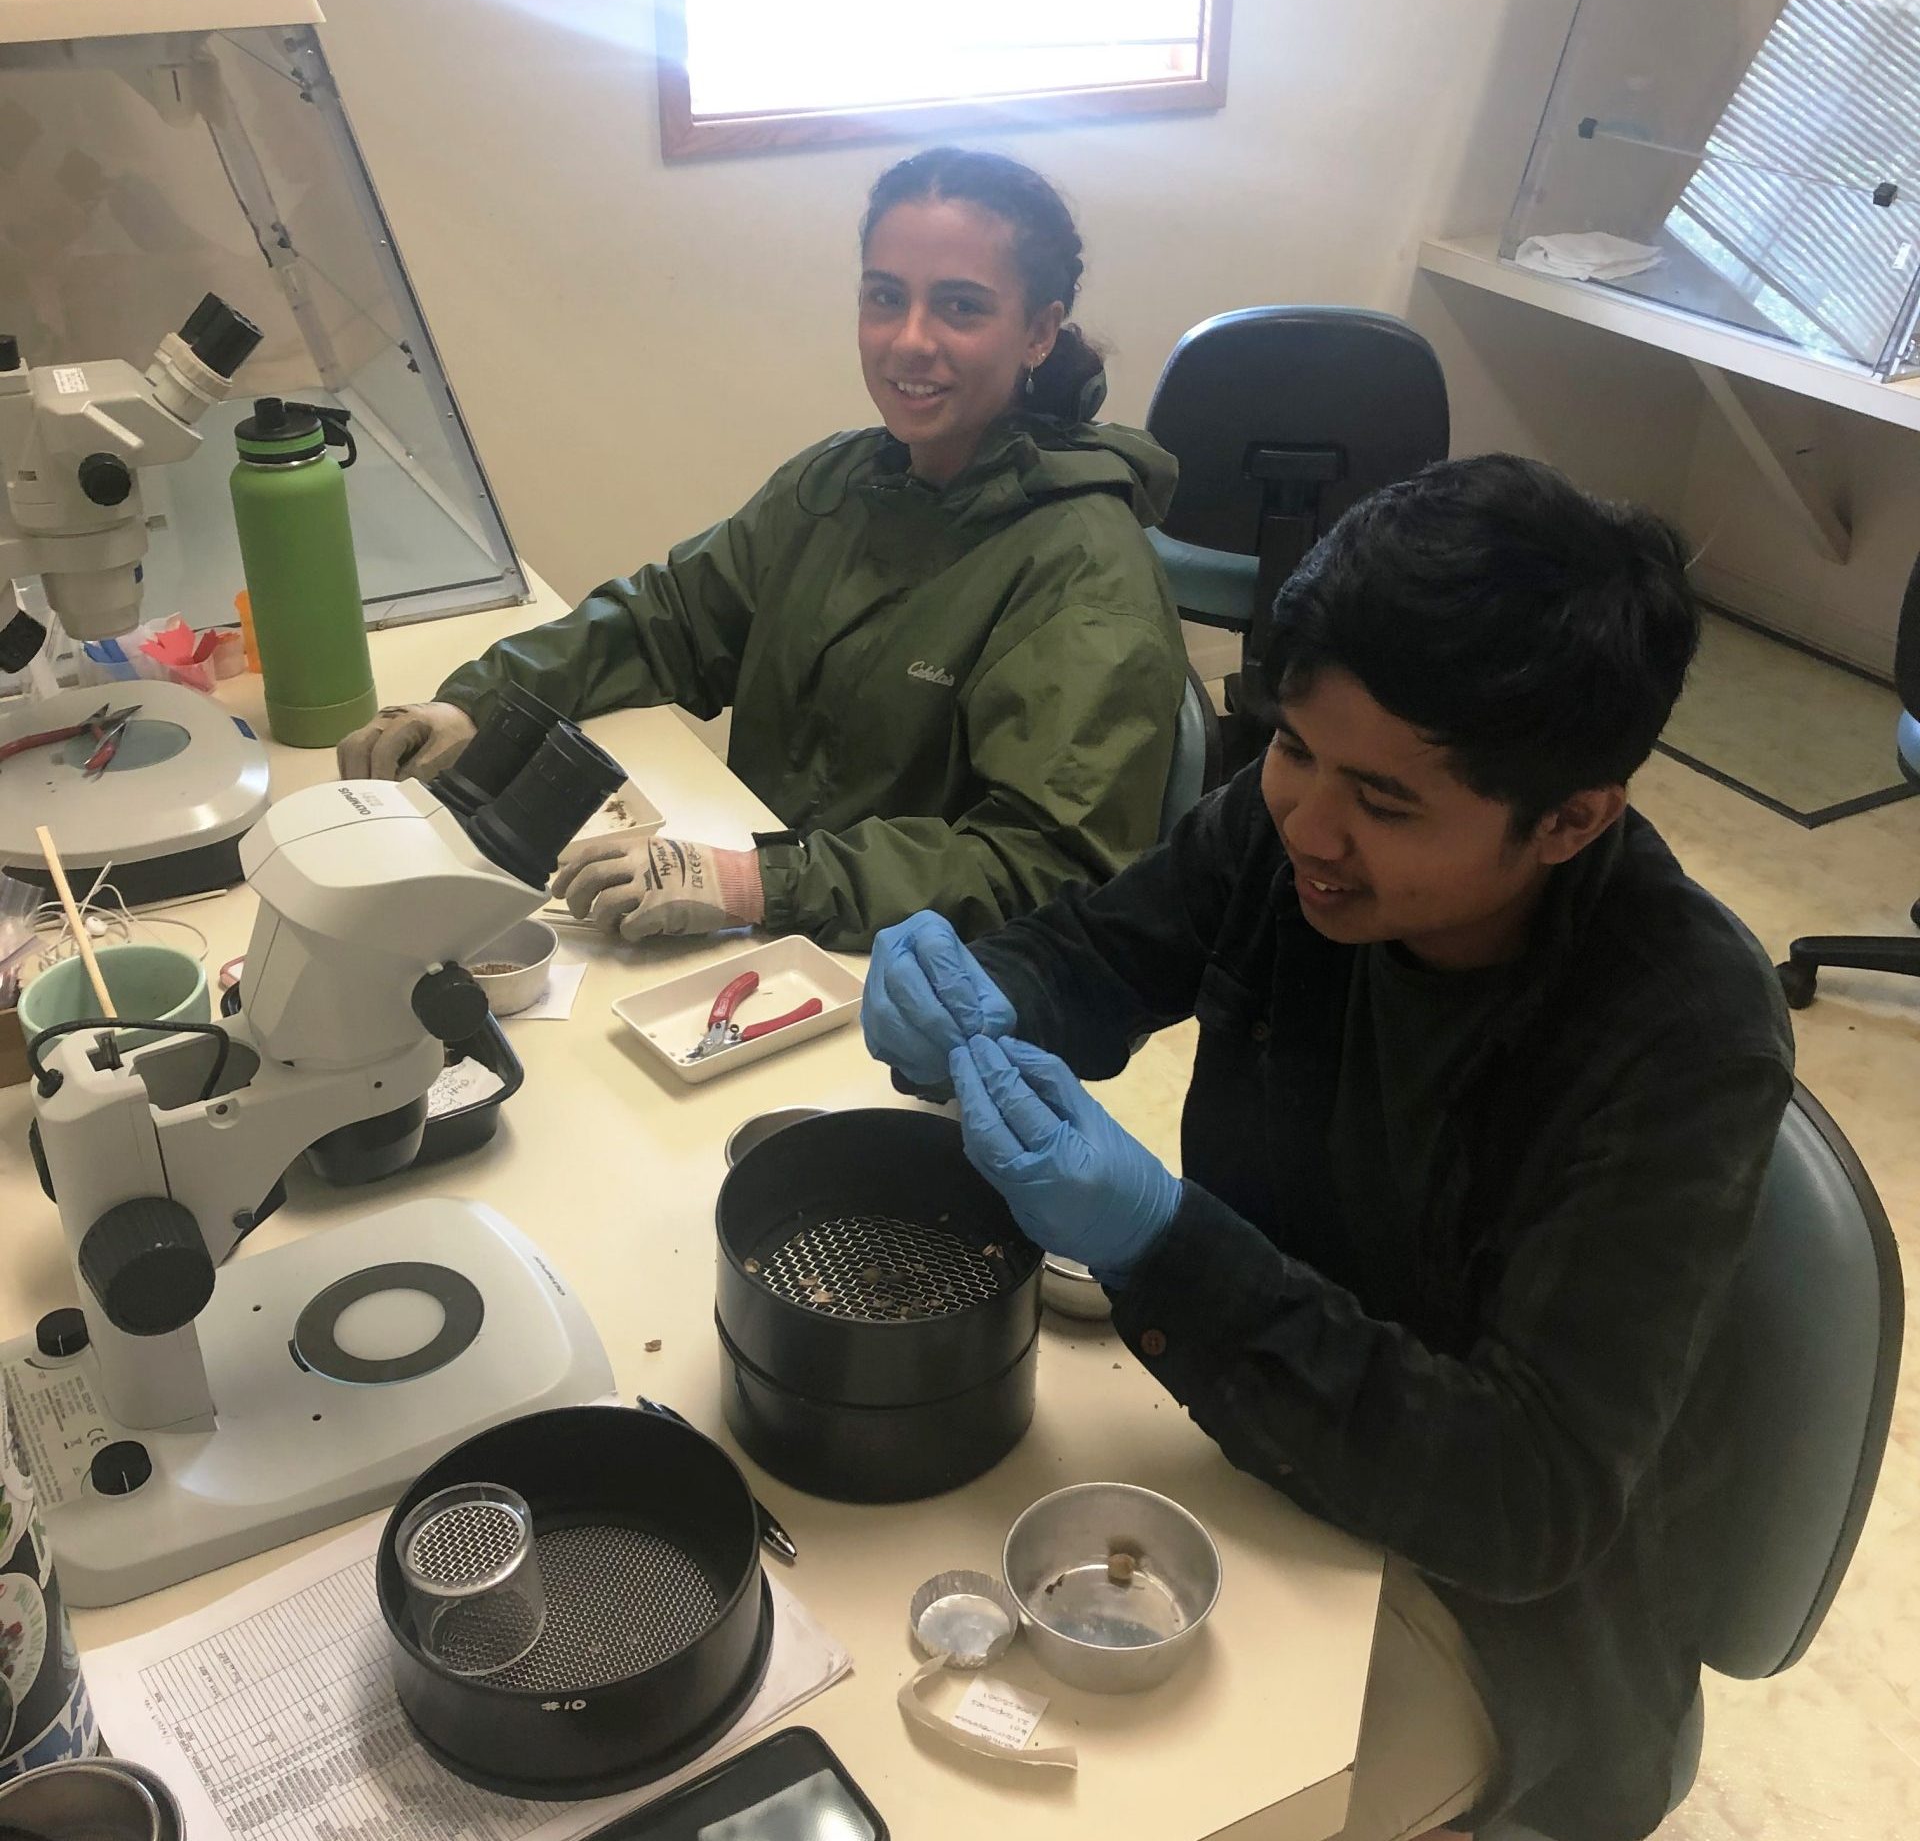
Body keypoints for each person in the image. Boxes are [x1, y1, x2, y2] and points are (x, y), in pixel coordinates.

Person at [861, 455, 1795, 1841]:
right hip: (1260, 1427)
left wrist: (1158, 1243)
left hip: (1490, 1600)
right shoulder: (1296, 827)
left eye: (1387, 801)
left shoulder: (1680, 1033)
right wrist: (984, 991)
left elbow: (1524, 1497)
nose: (1306, 819)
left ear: (1573, 818)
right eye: (1292, 746)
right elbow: (1103, 952)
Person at [337, 147, 1185, 949]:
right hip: (798, 930)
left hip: (935, 987)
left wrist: (760, 884)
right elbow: (666, 620)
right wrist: (478, 704)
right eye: (886, 297)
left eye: (961, 306)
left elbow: (1042, 865)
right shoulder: (840, 482)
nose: (909, 340)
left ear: (1039, 331)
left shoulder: (1085, 572)